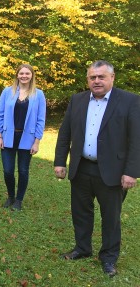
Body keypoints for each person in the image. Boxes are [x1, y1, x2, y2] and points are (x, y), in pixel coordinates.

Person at [54, 60, 140, 277]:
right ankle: (82, 248)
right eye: (92, 77)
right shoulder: (78, 100)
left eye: (101, 77)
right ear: (88, 80)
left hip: (112, 171)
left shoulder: (130, 101)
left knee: (110, 217)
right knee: (81, 212)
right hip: (81, 168)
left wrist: (131, 172)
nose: (97, 81)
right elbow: (65, 133)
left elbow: (136, 140)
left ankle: (109, 258)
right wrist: (59, 162)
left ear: (112, 78)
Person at [0, 64, 46, 211]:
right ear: (17, 75)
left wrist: (37, 142)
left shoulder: (38, 94)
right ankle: (10, 196)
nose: (24, 76)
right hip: (8, 137)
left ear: (32, 76)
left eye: (27, 73)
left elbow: (40, 120)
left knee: (23, 170)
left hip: (27, 139)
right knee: (8, 171)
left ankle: (19, 200)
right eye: (21, 73)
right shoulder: (7, 92)